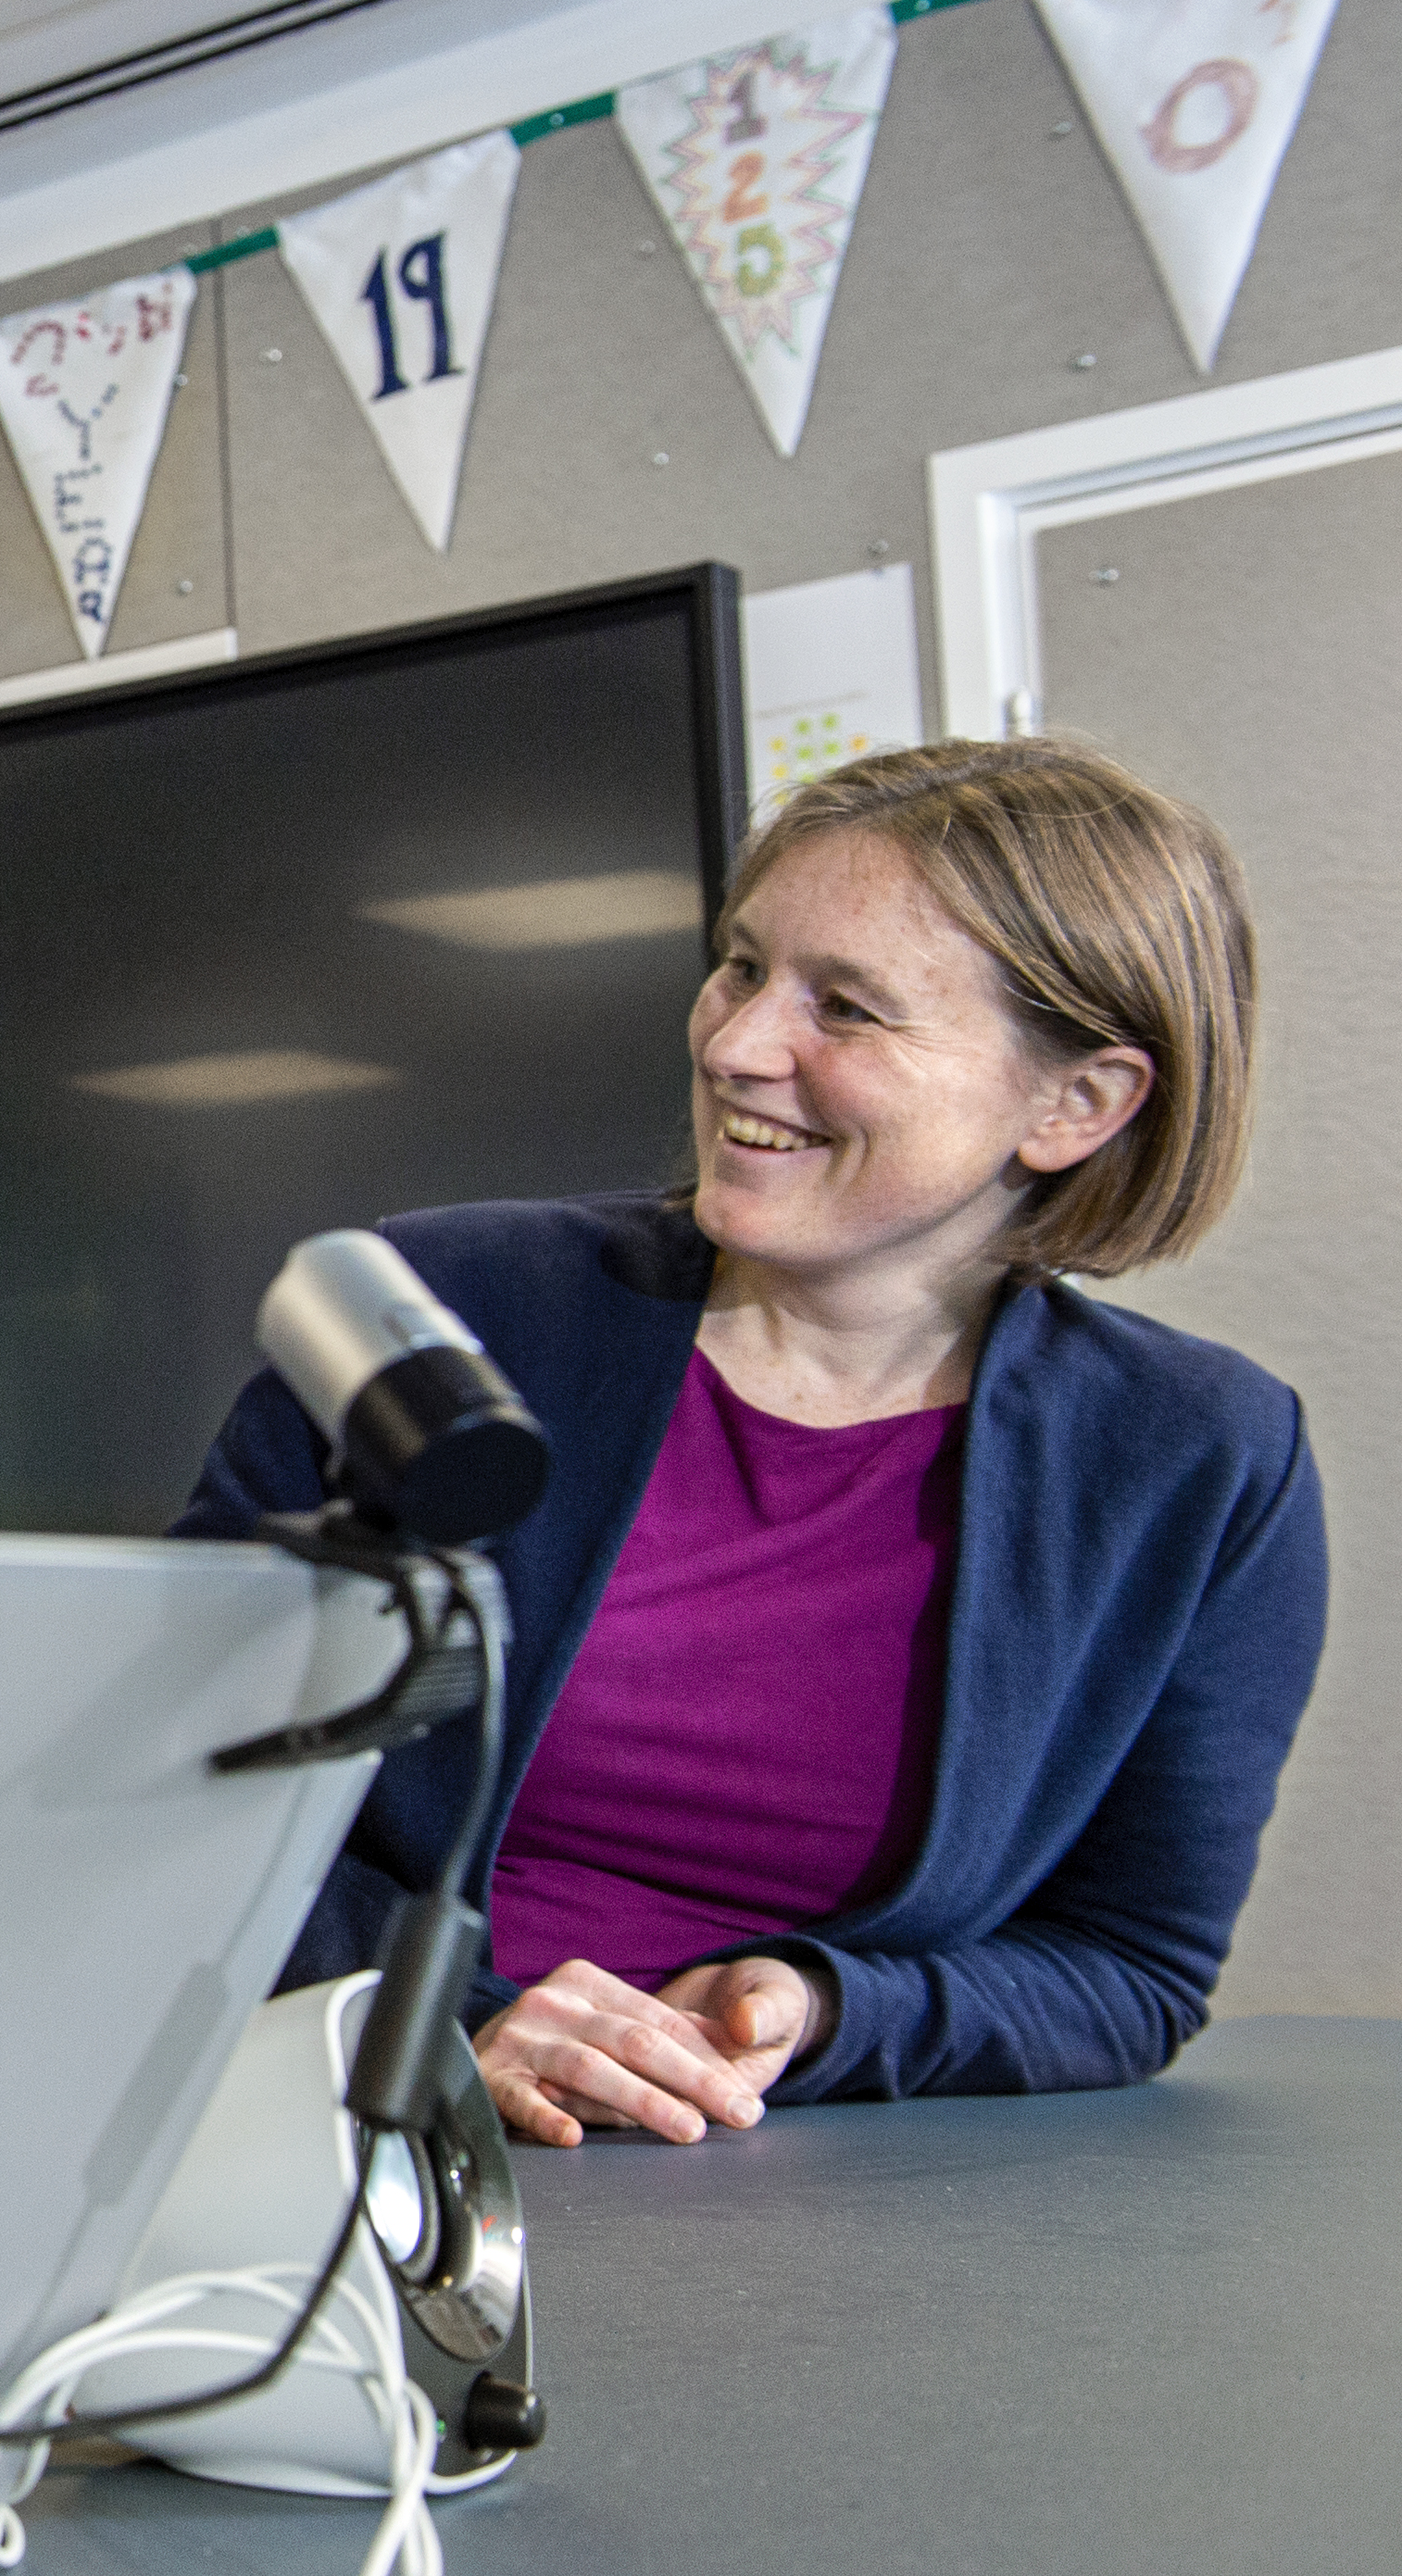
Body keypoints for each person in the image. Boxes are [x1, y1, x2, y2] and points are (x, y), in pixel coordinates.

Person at [182, 738, 1321, 2145]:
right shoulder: (439, 1313)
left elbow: (1129, 1970)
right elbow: (164, 1787)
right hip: (342, 2128)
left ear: (1074, 1105)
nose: (733, 1043)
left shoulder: (1200, 1458)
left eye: (844, 1007)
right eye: (740, 965)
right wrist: (449, 2013)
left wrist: (831, 2012)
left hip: (789, 2213)